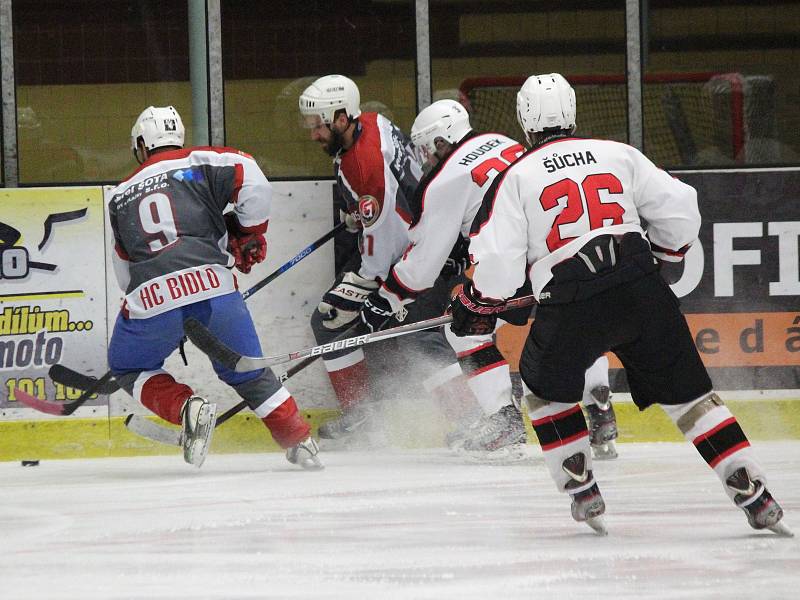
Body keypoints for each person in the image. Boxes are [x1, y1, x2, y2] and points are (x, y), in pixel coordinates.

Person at [450, 74, 790, 536]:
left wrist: (477, 303)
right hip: (641, 289)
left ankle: (581, 487)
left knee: (546, 388)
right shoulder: (618, 152)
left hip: (572, 302)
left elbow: (496, 266)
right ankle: (751, 488)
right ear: (571, 112)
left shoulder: (515, 176)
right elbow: (682, 209)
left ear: (523, 121)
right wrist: (667, 255)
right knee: (690, 397)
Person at [359, 99, 618, 458]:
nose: (424, 160)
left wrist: (385, 299)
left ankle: (503, 420)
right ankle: (600, 409)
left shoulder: (446, 177)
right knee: (572, 318)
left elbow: (422, 263)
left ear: (439, 141)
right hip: (558, 245)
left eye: (425, 149)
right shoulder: (501, 141)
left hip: (512, 258)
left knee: (464, 328)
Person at [106, 105, 322, 470]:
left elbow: (125, 272)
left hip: (152, 299)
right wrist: (248, 230)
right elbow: (254, 179)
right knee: (248, 369)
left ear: (142, 145)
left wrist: (162, 319)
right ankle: (300, 441)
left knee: (127, 365)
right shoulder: (203, 159)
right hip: (213, 288)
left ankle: (186, 408)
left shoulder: (119, 195)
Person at [299, 75, 467, 440]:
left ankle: (470, 422)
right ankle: (466, 421)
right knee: (415, 335)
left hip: (413, 258)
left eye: (319, 125)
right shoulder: (375, 121)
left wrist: (372, 285)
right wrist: (359, 214)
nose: (314, 134)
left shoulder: (362, 165)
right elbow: (391, 194)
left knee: (338, 321)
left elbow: (385, 238)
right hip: (423, 244)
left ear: (342, 119)